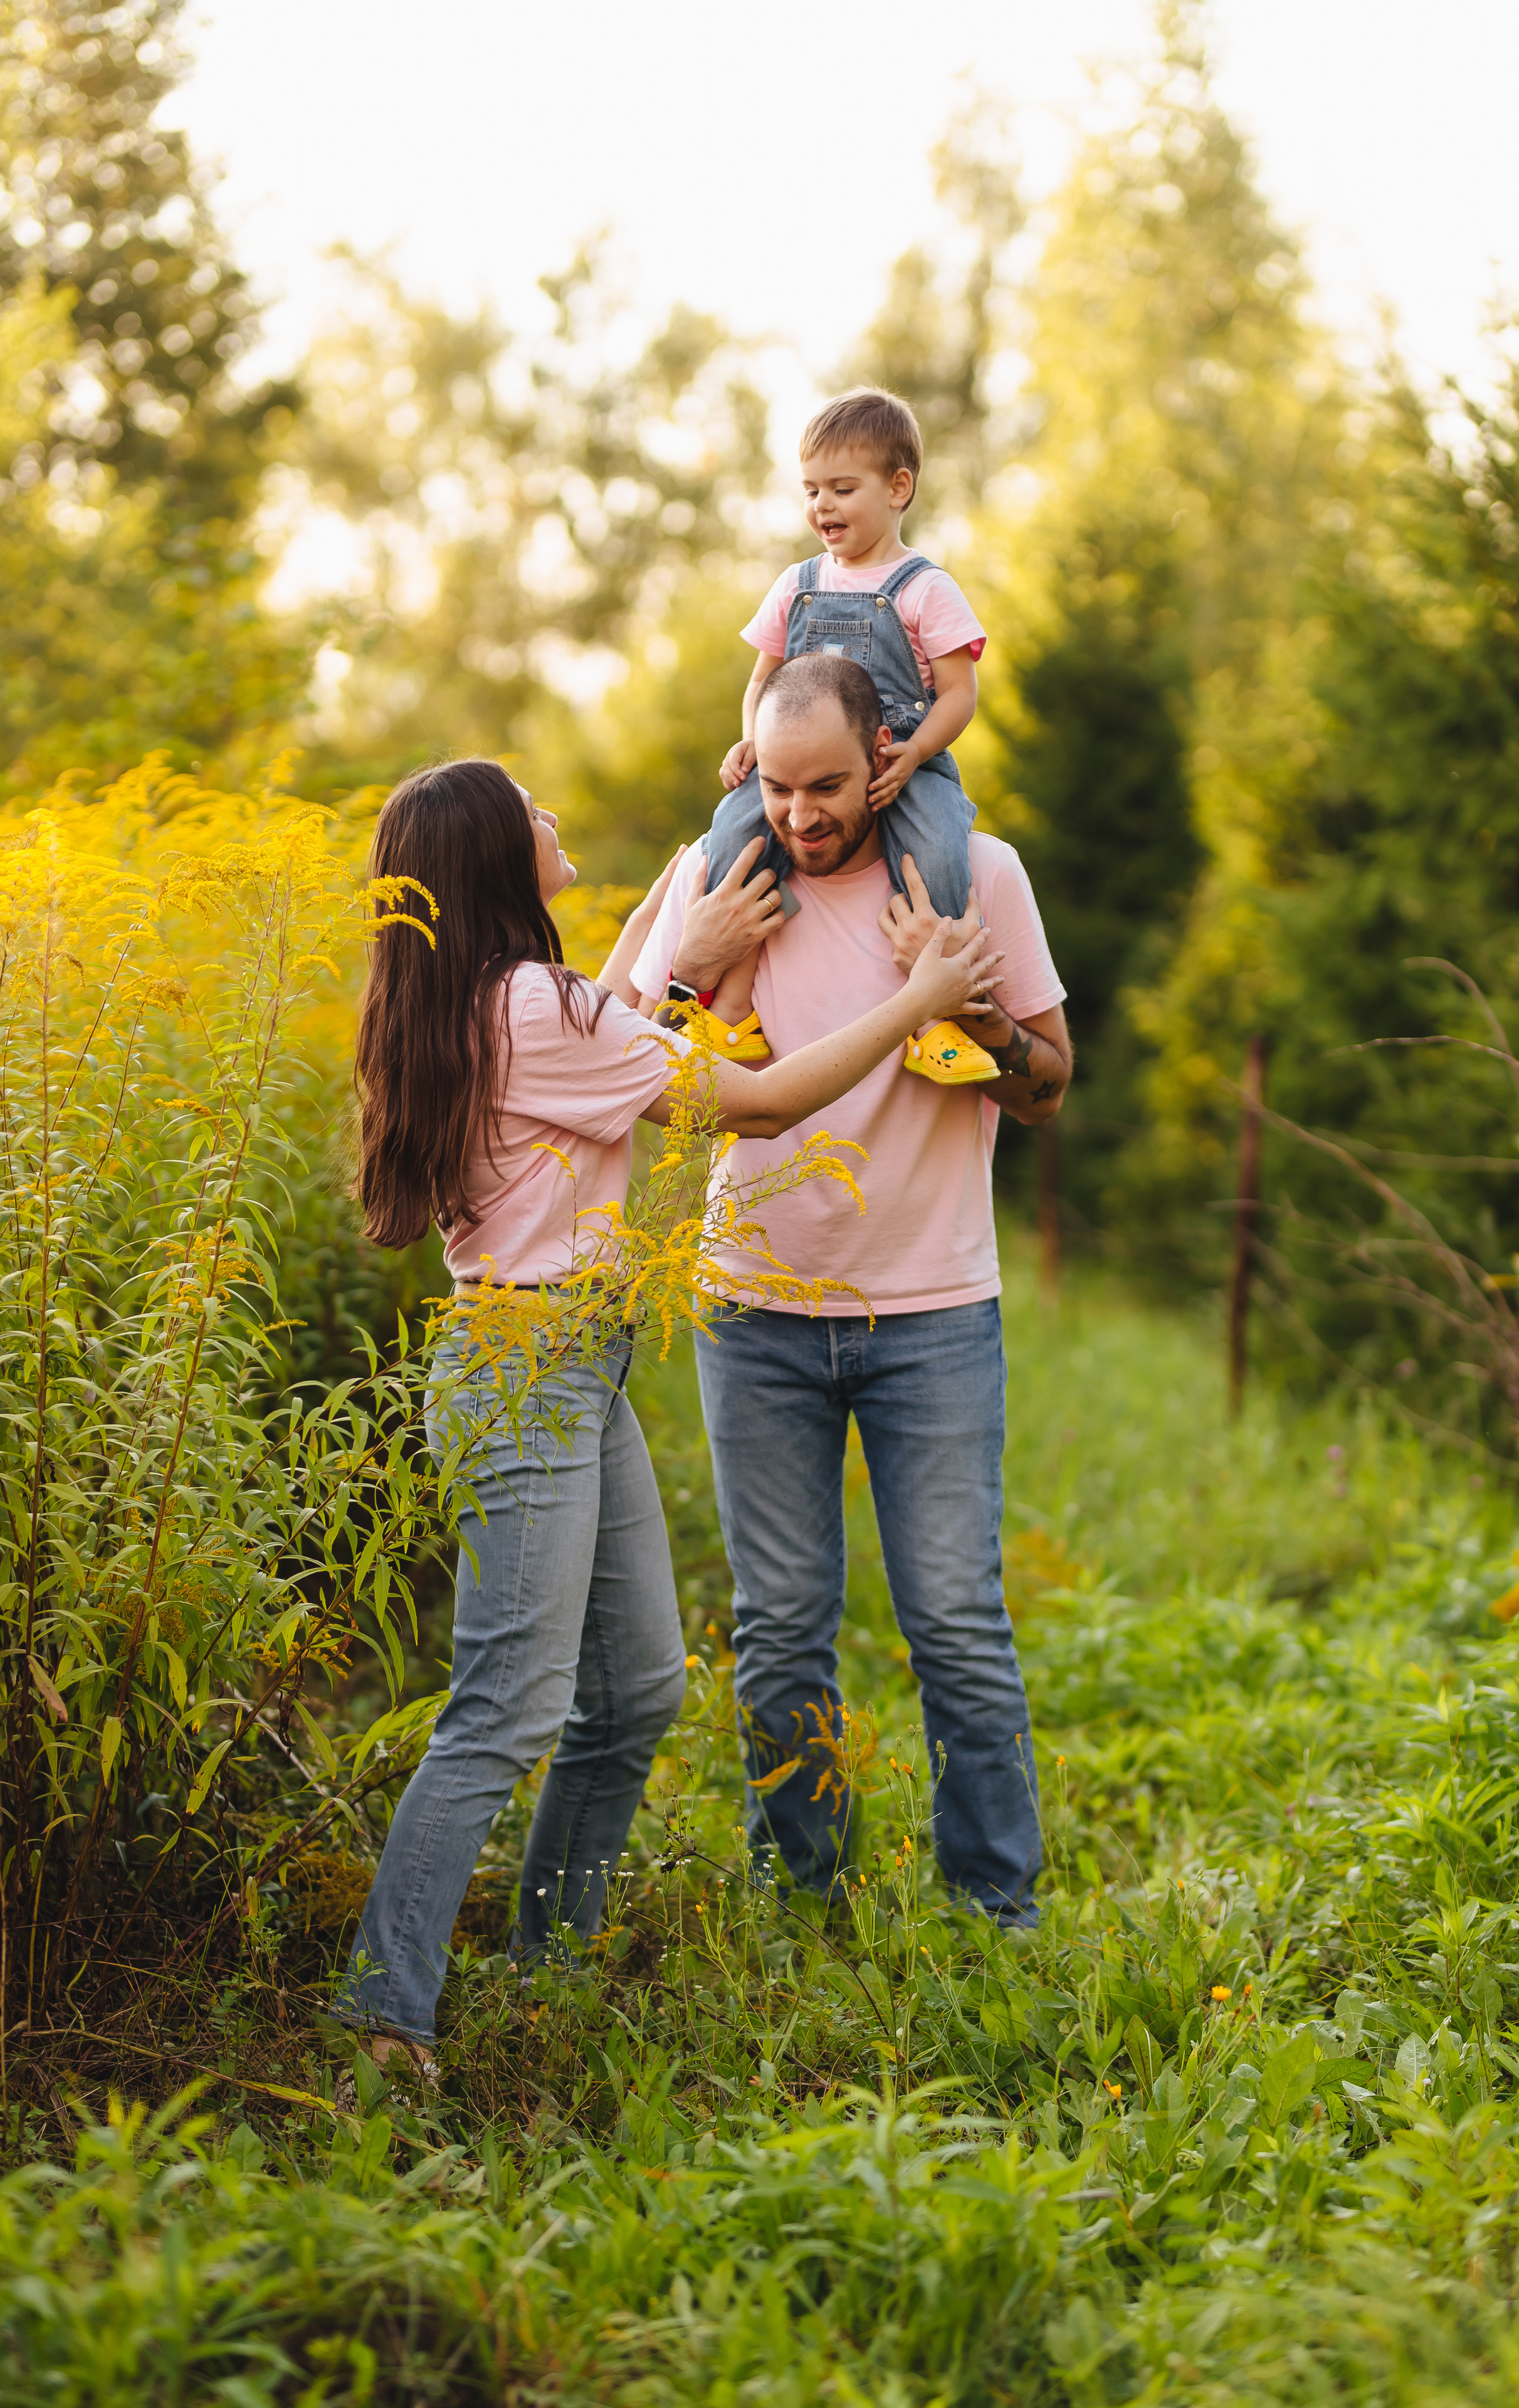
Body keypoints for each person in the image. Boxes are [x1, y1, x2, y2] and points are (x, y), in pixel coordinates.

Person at [337, 757, 1002, 2061]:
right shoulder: (530, 1006)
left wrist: (725, 824)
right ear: (489, 853)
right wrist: (918, 1000)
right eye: (528, 802)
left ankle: (545, 1972)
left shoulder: (504, 1000)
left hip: (565, 1362)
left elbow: (627, 993)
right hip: (526, 1370)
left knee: (636, 1688)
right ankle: (380, 2010)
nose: (549, 809)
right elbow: (749, 1100)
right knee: (506, 1707)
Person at [633, 653, 1071, 1928]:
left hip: (931, 1312)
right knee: (777, 1631)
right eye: (774, 786)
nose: (800, 815)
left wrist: (977, 1018)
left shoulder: (971, 877)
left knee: (954, 1625)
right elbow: (619, 1072)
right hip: (752, 1314)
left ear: (885, 753)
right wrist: (686, 957)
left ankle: (997, 1913)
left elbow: (1046, 1090)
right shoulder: (718, 880)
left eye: (826, 786)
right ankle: (799, 1903)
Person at [696, 385, 998, 1088]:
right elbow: (761, 683)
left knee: (939, 855)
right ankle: (734, 1004)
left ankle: (934, 1021)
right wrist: (753, 744)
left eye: (841, 488)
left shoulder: (925, 588)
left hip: (901, 759)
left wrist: (915, 755)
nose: (821, 507)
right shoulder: (795, 585)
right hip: (800, 768)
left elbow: (958, 695)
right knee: (731, 834)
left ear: (899, 488)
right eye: (810, 490)